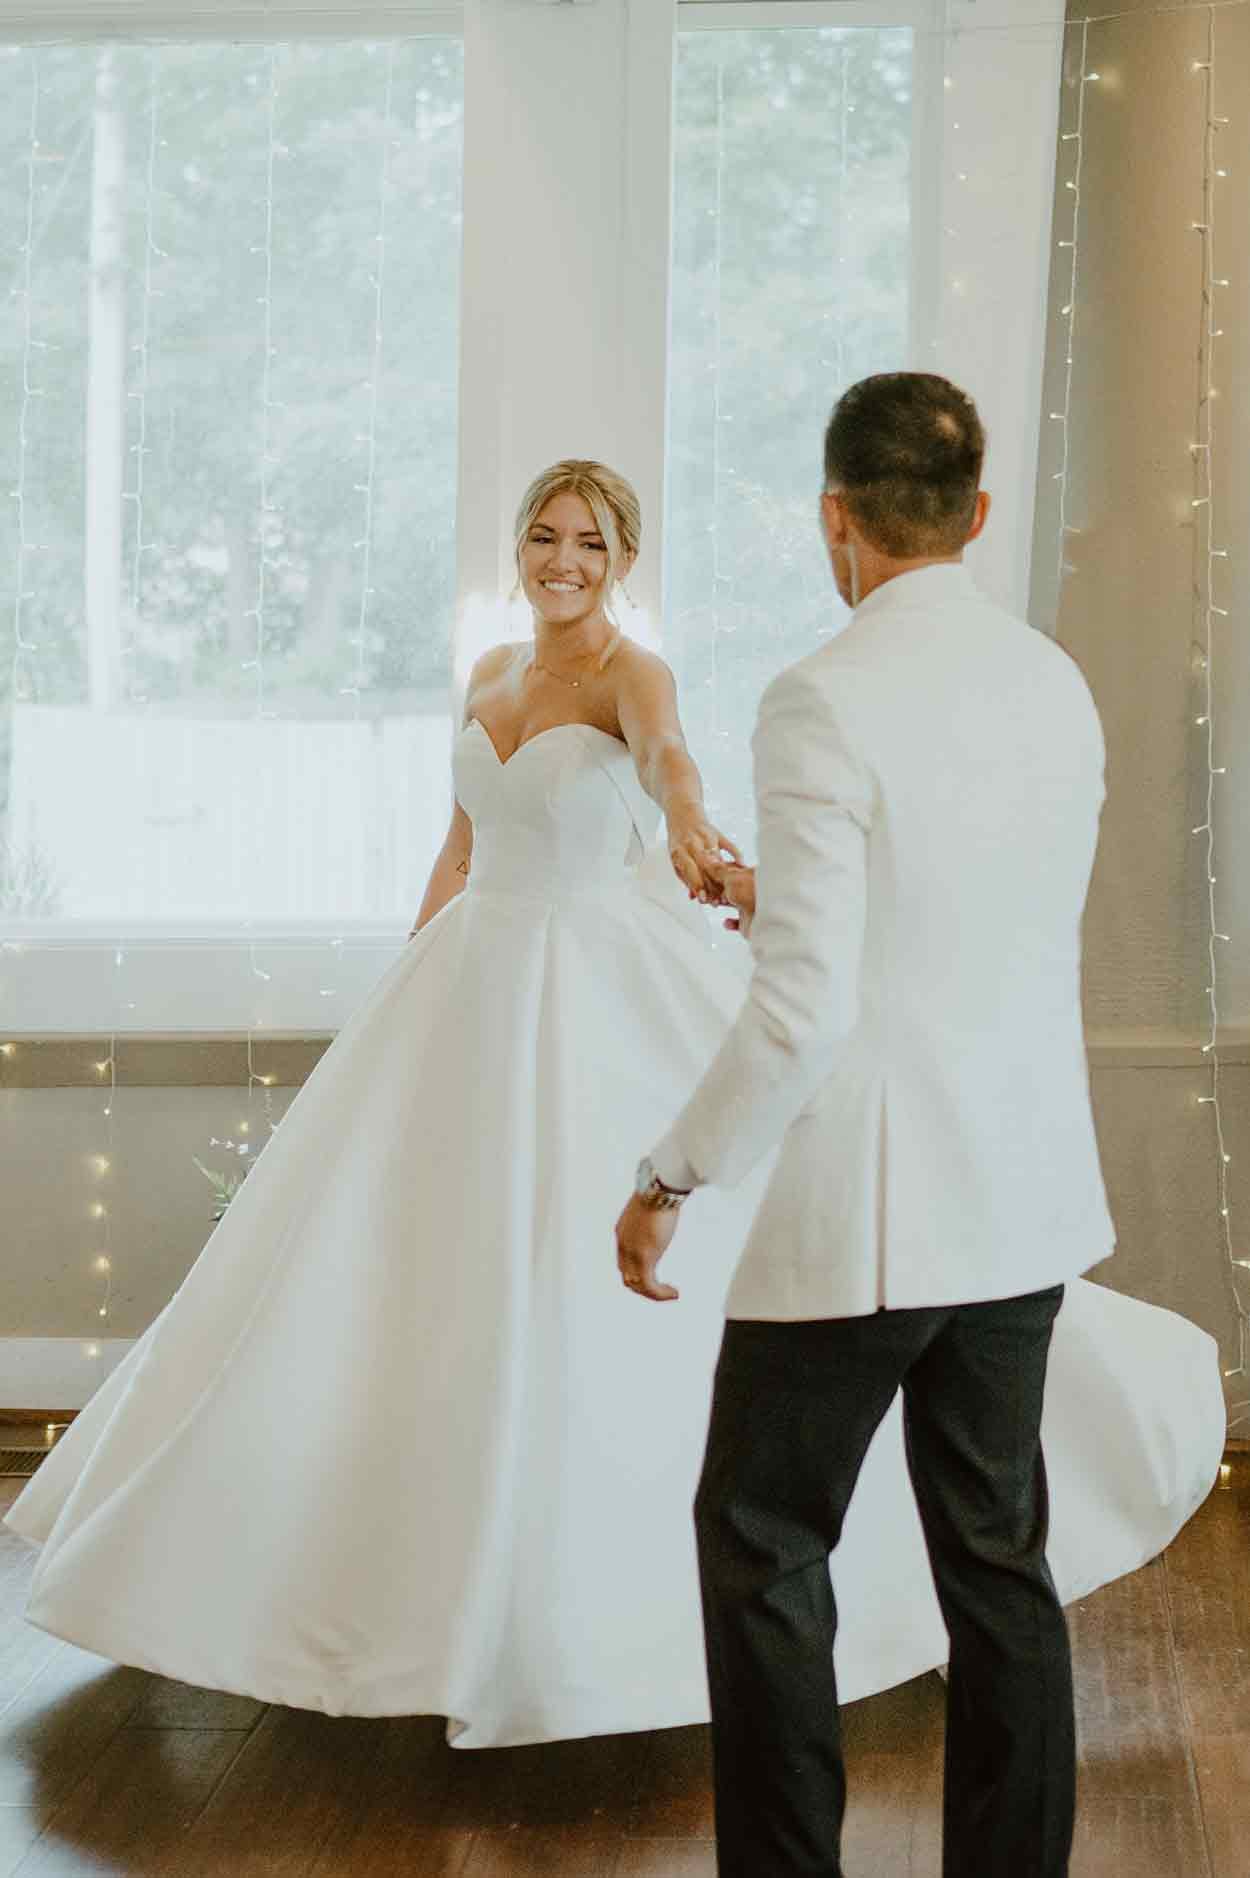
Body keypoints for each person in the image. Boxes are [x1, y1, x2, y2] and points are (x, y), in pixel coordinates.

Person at [7, 455, 1221, 1759]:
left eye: (589, 540)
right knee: (396, 1273)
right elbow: (462, 846)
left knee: (588, 1280)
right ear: (518, 547)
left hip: (586, 987)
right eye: (544, 535)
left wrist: (699, 841)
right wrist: (395, 994)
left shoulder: (635, 676)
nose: (563, 558)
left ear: (622, 557)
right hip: (464, 990)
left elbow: (673, 779)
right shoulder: (486, 678)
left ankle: (595, 1621)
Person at [614, 375, 1224, 1876]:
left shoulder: (818, 692)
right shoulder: (1051, 682)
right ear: (979, 513)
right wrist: (779, 896)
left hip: (869, 1216)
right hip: (1015, 1199)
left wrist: (667, 1169)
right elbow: (980, 922)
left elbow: (805, 1014)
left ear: (836, 515)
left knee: (760, 1542)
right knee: (998, 1565)